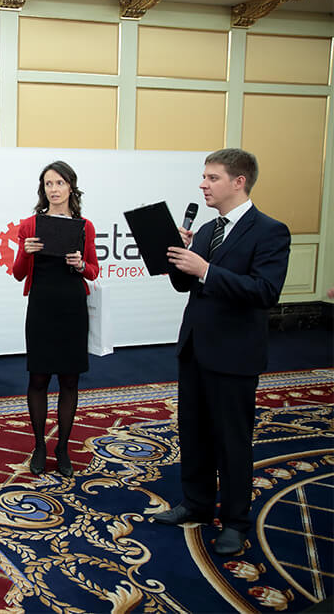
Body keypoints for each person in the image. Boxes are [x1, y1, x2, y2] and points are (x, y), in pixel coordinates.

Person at [155, 148, 290, 556]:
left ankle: (235, 521)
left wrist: (206, 269)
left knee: (232, 441)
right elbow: (187, 286)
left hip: (234, 355)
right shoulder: (208, 230)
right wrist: (178, 259)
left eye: (212, 177)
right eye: (204, 177)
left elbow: (265, 292)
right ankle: (196, 504)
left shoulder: (270, 231)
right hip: (195, 347)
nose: (203, 185)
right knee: (193, 432)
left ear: (239, 181)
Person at [11, 160, 98, 477]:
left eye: (60, 183)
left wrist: (80, 265)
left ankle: (62, 448)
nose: (54, 189)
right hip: (42, 307)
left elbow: (93, 271)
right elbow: (18, 273)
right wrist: (26, 251)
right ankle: (39, 446)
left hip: (72, 307)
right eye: (48, 183)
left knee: (70, 380)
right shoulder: (30, 225)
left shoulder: (84, 226)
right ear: (43, 189)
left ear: (70, 187)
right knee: (38, 378)